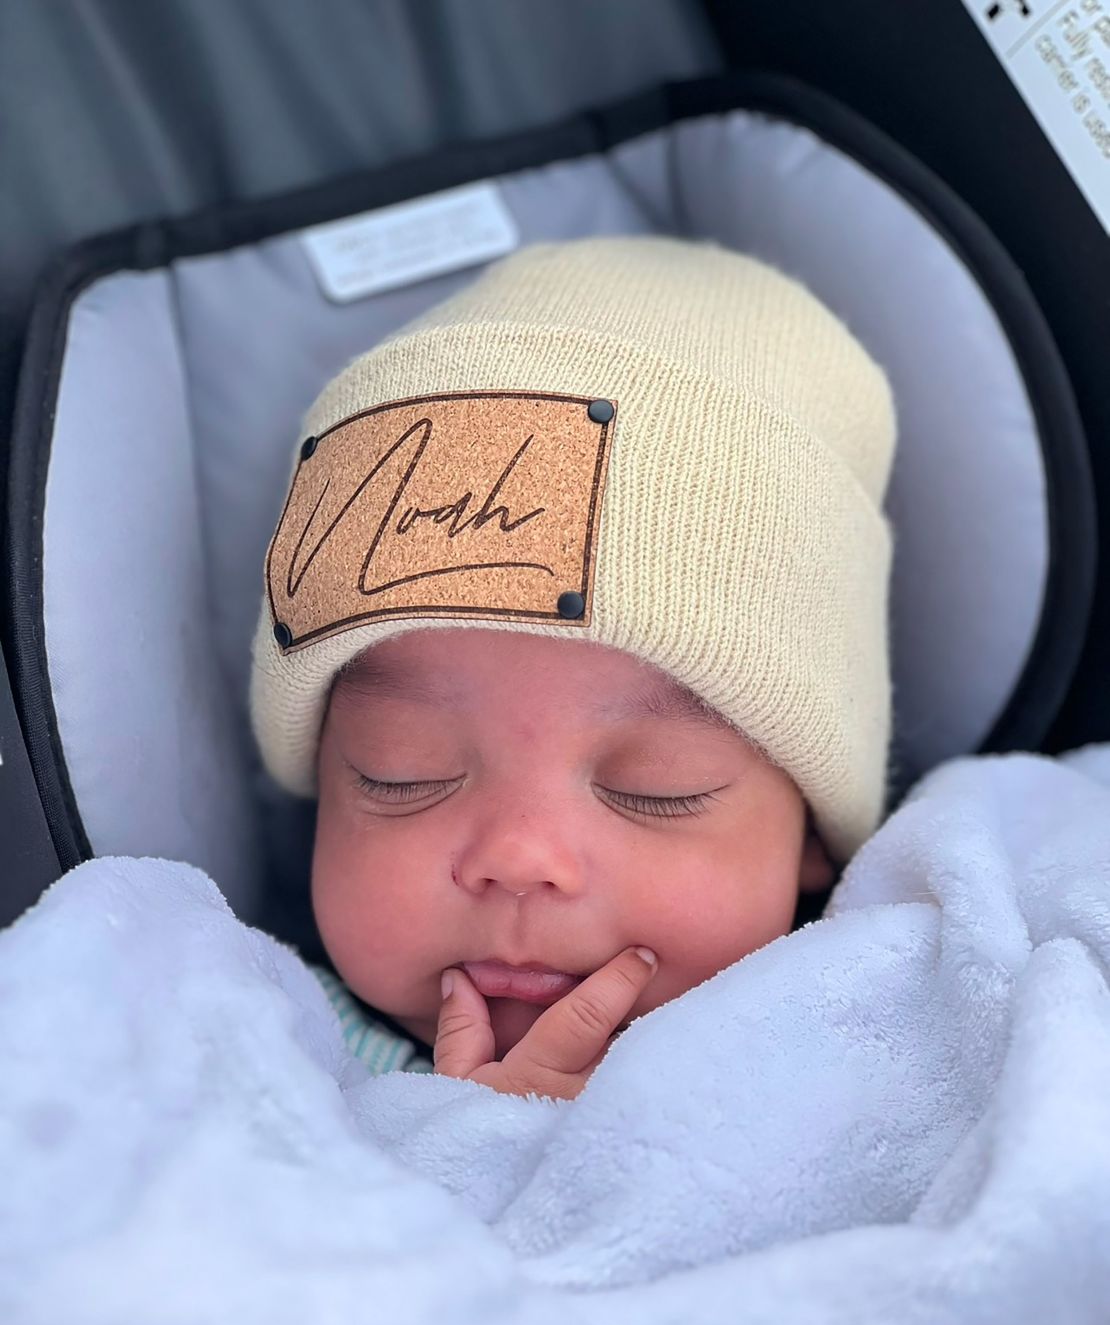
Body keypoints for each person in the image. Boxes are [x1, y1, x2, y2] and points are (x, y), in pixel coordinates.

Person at [249, 235, 896, 1100]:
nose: (519, 857)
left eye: (654, 788)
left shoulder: (892, 1044)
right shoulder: (246, 1049)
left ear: (813, 836)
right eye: (402, 772)